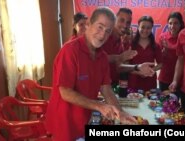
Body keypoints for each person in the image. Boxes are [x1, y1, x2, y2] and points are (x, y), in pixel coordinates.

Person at [45, 7, 137, 141]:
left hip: (84, 120)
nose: (102, 35)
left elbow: (106, 89)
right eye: (100, 27)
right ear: (88, 24)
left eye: (108, 31)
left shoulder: (102, 57)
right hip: (64, 123)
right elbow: (65, 92)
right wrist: (99, 106)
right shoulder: (70, 51)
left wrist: (121, 113)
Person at [128, 15, 162, 91]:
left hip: (150, 82)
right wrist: (139, 72)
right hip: (133, 82)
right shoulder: (131, 44)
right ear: (138, 27)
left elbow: (160, 64)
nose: (145, 30)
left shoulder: (155, 45)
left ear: (151, 29)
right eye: (143, 27)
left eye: (148, 28)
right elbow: (126, 65)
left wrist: (149, 71)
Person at [157, 12, 185, 95]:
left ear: (181, 24)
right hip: (164, 77)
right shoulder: (163, 37)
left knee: (177, 106)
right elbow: (159, 59)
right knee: (163, 104)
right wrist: (164, 51)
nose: (172, 26)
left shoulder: (184, 37)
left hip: (180, 78)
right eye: (170, 23)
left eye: (176, 23)